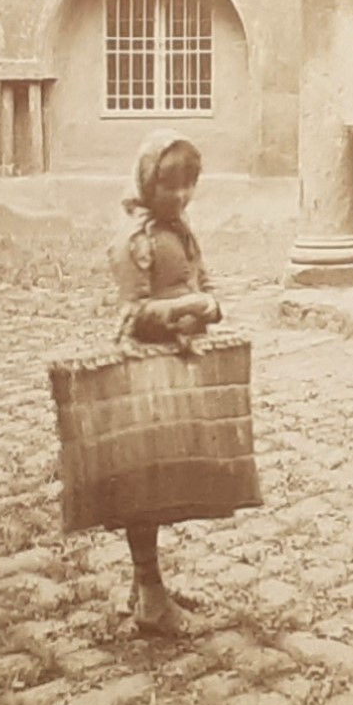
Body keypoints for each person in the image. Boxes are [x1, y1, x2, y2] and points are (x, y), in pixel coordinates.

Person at [110, 130, 221, 636]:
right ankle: (150, 594)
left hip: (176, 365)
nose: (180, 197)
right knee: (144, 482)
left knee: (163, 478)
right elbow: (133, 314)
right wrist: (184, 310)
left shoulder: (181, 230)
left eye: (188, 186)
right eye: (170, 187)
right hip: (144, 369)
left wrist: (211, 306)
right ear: (147, 184)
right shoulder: (138, 240)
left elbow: (203, 281)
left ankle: (143, 585)